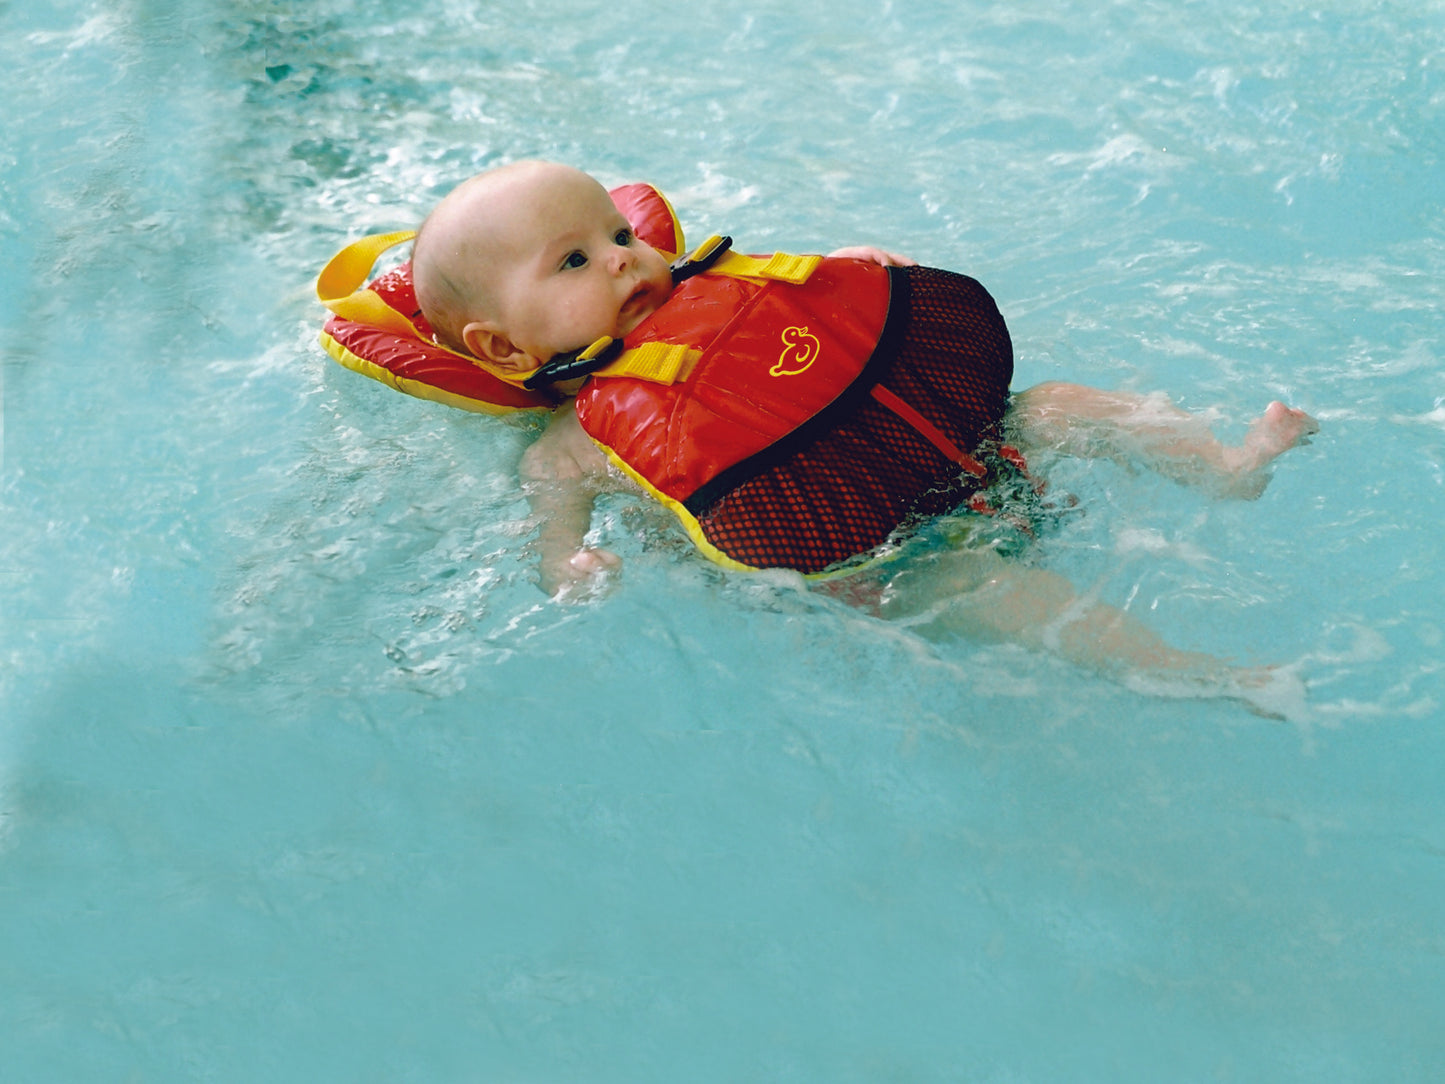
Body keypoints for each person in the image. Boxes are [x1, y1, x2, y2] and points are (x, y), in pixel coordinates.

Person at [411, 161, 1317, 706]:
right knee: (976, 585)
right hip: (885, 561)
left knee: (1054, 405)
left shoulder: (737, 296)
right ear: (502, 346)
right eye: (574, 261)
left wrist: (857, 270)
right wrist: (566, 560)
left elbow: (825, 312)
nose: (620, 256)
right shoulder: (580, 440)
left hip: (974, 456)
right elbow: (553, 507)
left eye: (617, 232)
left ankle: (1224, 467)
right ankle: (1193, 672)